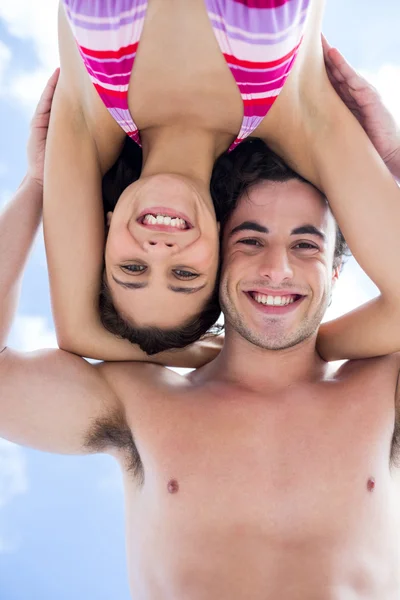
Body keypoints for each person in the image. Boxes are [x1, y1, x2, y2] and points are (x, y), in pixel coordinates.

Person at [4, 48, 400, 597]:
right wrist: (37, 185)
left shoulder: (385, 390)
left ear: (336, 270)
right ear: (213, 256)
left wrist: (391, 168)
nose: (276, 269)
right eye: (250, 240)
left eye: (306, 245)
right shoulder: (142, 403)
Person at [45, 0, 400, 358]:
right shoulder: (297, 118)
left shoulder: (87, 122)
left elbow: (77, 331)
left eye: (132, 268)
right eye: (184, 275)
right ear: (220, 250)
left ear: (104, 234)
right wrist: (293, 353)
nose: (158, 251)